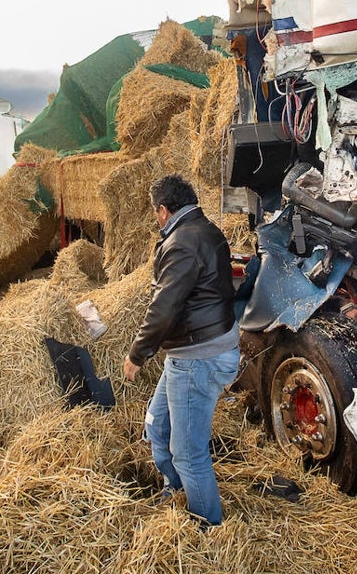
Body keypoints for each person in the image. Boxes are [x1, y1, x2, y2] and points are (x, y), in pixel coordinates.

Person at [123, 174, 240, 527]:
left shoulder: (182, 242)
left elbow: (164, 307)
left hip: (198, 357)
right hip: (193, 351)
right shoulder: (204, 229)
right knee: (157, 425)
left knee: (188, 454)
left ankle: (207, 528)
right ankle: (175, 490)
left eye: (154, 213)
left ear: (163, 210)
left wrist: (137, 354)